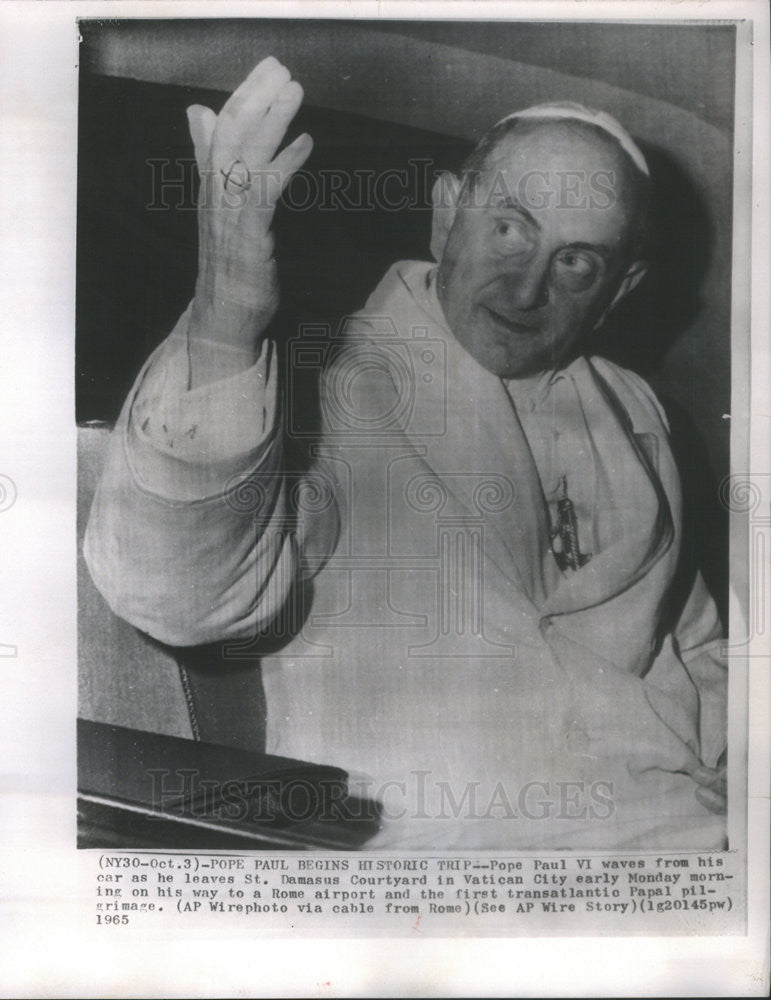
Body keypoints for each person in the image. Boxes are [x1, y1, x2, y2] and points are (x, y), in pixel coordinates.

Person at [85, 56, 727, 849]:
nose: (527, 290)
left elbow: (693, 644)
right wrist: (225, 319)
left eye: (575, 261)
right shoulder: (321, 377)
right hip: (456, 867)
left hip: (689, 836)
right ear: (446, 213)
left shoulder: (635, 410)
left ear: (619, 289)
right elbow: (177, 594)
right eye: (508, 228)